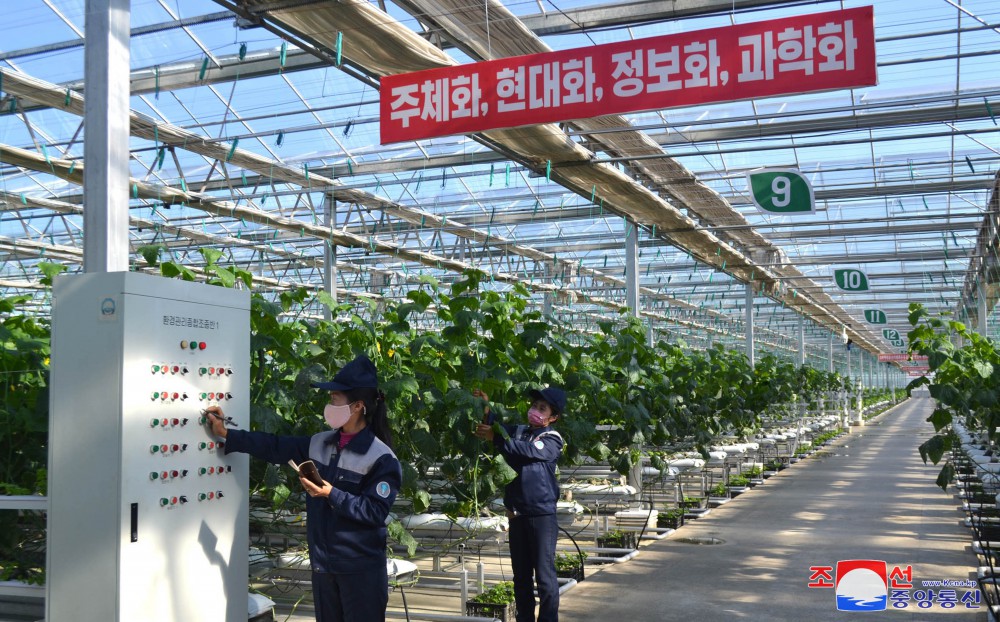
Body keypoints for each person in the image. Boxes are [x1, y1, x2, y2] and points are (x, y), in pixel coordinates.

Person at [204, 354, 401, 622]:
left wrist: (330, 493)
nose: (329, 404)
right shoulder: (320, 443)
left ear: (357, 406)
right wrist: (227, 433)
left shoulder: (381, 458)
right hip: (324, 567)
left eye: (334, 399)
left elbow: (374, 512)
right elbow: (274, 445)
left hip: (360, 572)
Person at [474, 386, 566, 622]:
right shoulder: (520, 431)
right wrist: (487, 407)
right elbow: (499, 431)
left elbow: (526, 451)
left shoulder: (552, 440)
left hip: (541, 515)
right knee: (521, 577)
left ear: (552, 417)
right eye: (534, 405)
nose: (535, 410)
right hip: (517, 514)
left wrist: (497, 438)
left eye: (542, 408)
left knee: (544, 576)